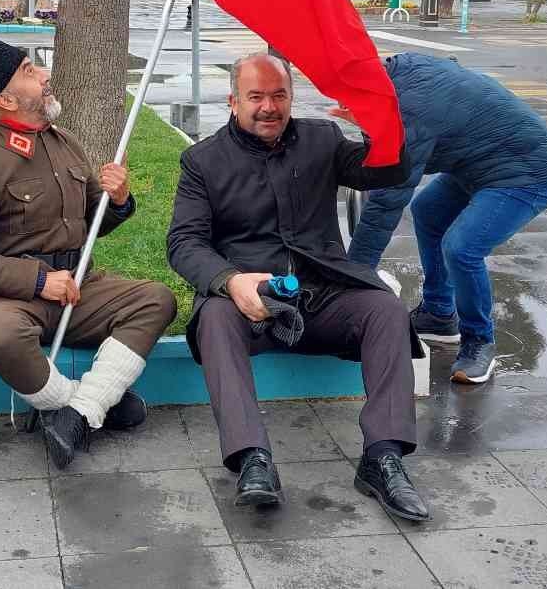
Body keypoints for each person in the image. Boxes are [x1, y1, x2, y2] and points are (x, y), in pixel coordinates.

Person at [168, 53, 431, 523]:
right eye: (255, 97)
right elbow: (184, 242)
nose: (268, 107)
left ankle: (383, 457)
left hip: (323, 293)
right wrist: (230, 281)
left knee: (386, 309)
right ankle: (253, 458)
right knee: (213, 316)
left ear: (290, 97)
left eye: (279, 95)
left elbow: (384, 171)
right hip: (254, 301)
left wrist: (378, 128)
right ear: (233, 102)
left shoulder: (322, 138)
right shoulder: (202, 161)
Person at [0, 36, 177, 468]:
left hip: (77, 287)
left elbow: (91, 224)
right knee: (1, 337)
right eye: (30, 71)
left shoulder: (63, 141)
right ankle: (87, 407)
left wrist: (119, 199)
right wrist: (38, 282)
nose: (46, 76)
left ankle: (78, 413)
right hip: (10, 298)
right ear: (5, 98)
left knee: (155, 299)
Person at [344, 53, 547, 386]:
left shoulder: (410, 108)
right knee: (428, 211)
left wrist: (352, 278)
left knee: (461, 248)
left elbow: (387, 199)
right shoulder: (400, 72)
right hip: (478, 166)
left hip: (527, 172)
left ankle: (479, 341)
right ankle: (438, 312)